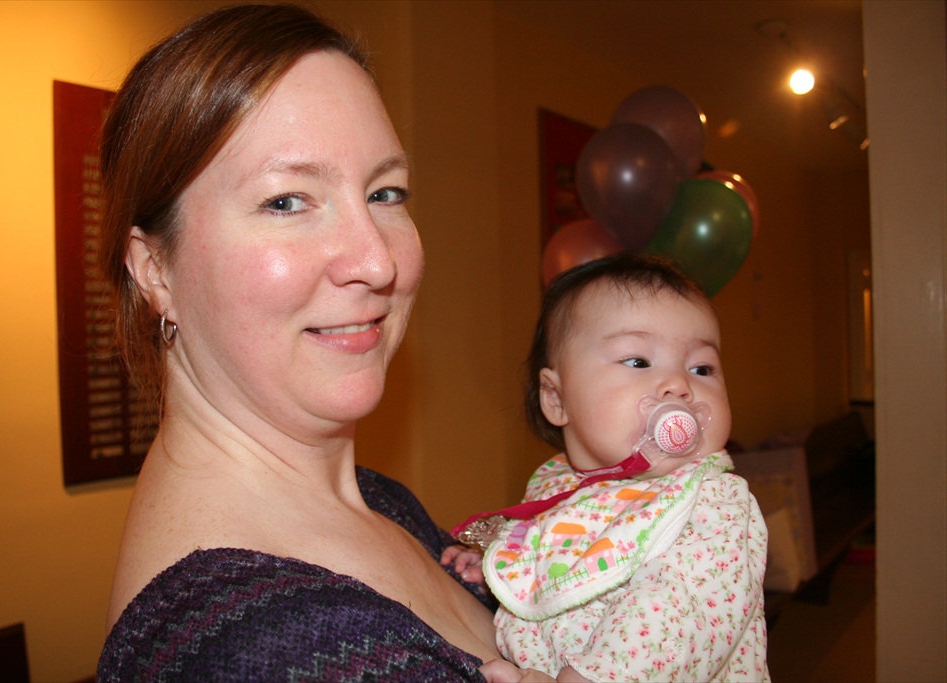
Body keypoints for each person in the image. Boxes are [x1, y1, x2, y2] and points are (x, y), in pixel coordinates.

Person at [96, 5, 545, 680]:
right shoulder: (260, 648)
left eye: (385, 192)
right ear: (154, 268)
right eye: (286, 201)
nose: (377, 260)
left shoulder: (376, 501)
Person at [445, 253, 770, 682]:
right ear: (557, 399)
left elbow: (680, 613)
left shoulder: (712, 502)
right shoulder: (557, 484)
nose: (680, 385)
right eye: (638, 361)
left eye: (702, 368)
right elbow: (563, 554)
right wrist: (501, 562)